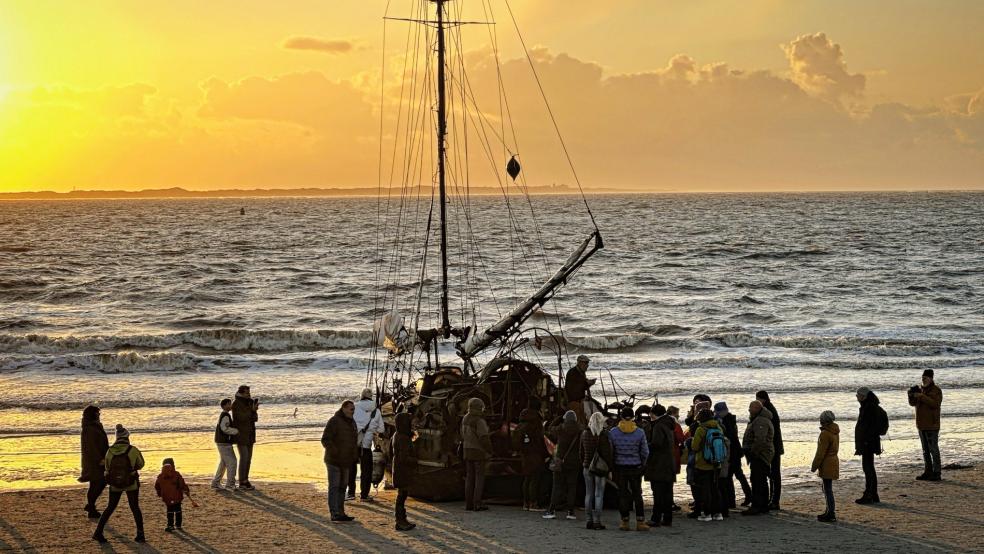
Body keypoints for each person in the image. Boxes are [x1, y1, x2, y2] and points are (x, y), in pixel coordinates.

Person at [93, 425, 146, 544]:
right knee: (135, 507)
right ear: (127, 437)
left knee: (110, 507)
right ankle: (140, 534)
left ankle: (98, 532)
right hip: (131, 483)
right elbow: (141, 464)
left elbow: (107, 468)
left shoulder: (110, 451)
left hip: (115, 484)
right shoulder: (133, 450)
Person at [610, 406, 649, 531]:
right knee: (637, 494)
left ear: (621, 417)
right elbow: (645, 452)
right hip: (635, 466)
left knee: (622, 494)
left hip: (620, 466)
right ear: (633, 417)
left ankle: (625, 521)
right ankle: (640, 521)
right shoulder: (640, 432)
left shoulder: (613, 432)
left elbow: (611, 450)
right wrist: (642, 463)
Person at [322, 400, 358, 522]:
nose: (353, 412)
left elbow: (354, 441)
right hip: (334, 460)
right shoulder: (334, 421)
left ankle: (341, 512)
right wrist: (335, 451)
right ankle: (334, 513)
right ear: (344, 408)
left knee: (343, 487)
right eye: (351, 409)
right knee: (334, 486)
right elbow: (325, 439)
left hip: (346, 461)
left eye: (354, 409)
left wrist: (355, 456)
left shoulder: (352, 422)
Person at [543, 410, 582, 520]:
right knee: (572, 487)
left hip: (560, 461)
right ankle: (570, 512)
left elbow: (549, 428)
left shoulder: (561, 428)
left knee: (557, 486)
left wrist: (558, 419)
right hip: (574, 463)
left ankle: (551, 510)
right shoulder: (580, 430)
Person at [349, 388, 385, 501]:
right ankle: (364, 495)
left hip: (354, 444)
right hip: (366, 446)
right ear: (371, 397)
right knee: (366, 471)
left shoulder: (354, 408)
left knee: (351, 469)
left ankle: (350, 493)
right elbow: (381, 429)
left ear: (361, 396)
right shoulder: (376, 411)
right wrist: (372, 430)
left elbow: (349, 423)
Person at [715, 401, 752, 509]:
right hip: (734, 452)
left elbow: (730, 437)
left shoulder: (727, 421)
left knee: (733, 476)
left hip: (732, 453)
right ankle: (742, 497)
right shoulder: (729, 419)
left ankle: (741, 498)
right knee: (735, 475)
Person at [741, 400, 774, 516]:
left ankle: (757, 506)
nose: (749, 410)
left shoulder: (761, 421)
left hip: (760, 455)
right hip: (761, 455)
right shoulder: (758, 419)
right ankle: (763, 505)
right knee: (760, 480)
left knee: (758, 481)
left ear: (757, 408)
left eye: (751, 407)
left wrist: (753, 452)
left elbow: (760, 440)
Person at [691, 409, 725, 521]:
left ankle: (707, 514)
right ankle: (718, 513)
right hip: (717, 463)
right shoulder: (718, 427)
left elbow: (695, 447)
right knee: (715, 489)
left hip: (703, 463)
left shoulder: (701, 429)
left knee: (705, 490)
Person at [580, 412, 613, 530]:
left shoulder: (585, 433)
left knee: (588, 494)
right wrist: (609, 468)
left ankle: (588, 520)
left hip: (587, 467)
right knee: (599, 494)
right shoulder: (604, 435)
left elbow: (581, 452)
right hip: (600, 468)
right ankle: (597, 521)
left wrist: (585, 463)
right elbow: (607, 454)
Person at [909, 369, 943, 481]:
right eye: (923, 378)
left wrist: (921, 396)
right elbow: (912, 404)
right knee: (925, 450)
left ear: (931, 378)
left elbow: (935, 404)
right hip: (921, 425)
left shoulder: (936, 390)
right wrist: (911, 396)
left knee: (933, 449)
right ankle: (928, 471)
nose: (924, 379)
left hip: (932, 425)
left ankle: (937, 472)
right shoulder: (920, 390)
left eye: (926, 378)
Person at [645, 404, 676, 527]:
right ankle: (667, 518)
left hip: (659, 464)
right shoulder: (669, 424)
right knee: (668, 492)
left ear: (654, 414)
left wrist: (646, 445)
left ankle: (655, 518)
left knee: (658, 493)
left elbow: (656, 444)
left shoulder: (658, 426)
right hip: (668, 462)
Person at [855, 387, 887, 504]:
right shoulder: (872, 406)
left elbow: (867, 427)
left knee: (868, 468)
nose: (857, 398)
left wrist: (865, 440)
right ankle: (873, 494)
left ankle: (869, 494)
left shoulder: (868, 408)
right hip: (870, 441)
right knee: (869, 467)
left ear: (863, 396)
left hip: (868, 442)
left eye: (858, 395)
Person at [461, 397, 492, 511]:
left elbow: (462, 435)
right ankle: (477, 503)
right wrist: (490, 450)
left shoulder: (464, 419)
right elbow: (484, 438)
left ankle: (468, 504)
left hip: (466, 450)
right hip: (478, 451)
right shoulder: (479, 421)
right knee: (479, 478)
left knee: (469, 478)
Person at [514, 407, 548, 510]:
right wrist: (545, 455)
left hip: (524, 456)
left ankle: (526, 503)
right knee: (534, 480)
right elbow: (541, 442)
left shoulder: (519, 427)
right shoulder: (536, 426)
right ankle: (533, 503)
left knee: (527, 479)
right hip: (535, 456)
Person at [79, 405, 109, 519]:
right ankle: (91, 506)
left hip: (97, 459)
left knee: (95, 484)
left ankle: (91, 507)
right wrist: (100, 460)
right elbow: (91, 447)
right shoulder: (90, 428)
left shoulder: (93, 426)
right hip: (95, 461)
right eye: (98, 413)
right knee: (99, 482)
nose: (99, 415)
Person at [756, 390, 784, 510]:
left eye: (758, 399)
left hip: (773, 447)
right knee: (774, 473)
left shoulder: (767, 412)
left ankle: (774, 500)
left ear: (763, 399)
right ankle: (773, 499)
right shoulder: (770, 410)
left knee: (774, 474)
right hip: (775, 446)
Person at [155, 458, 198, 532]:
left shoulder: (160, 476)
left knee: (170, 511)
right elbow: (182, 484)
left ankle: (170, 525)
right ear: (173, 465)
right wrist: (186, 490)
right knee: (178, 510)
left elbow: (157, 486)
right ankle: (178, 525)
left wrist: (159, 493)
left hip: (167, 497)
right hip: (177, 496)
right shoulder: (176, 474)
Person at [811, 410, 840, 523]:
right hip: (833, 460)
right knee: (827, 488)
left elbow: (820, 453)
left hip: (827, 462)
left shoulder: (825, 434)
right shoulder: (835, 432)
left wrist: (814, 466)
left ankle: (831, 512)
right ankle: (829, 511)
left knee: (827, 489)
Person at [391, 412, 417, 531]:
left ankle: (402, 519)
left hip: (400, 469)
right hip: (402, 470)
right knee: (402, 495)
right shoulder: (402, 438)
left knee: (403, 494)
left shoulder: (399, 435)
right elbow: (403, 457)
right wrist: (415, 460)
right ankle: (400, 520)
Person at [232, 385, 259, 490]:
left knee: (249, 459)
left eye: (249, 393)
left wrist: (254, 410)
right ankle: (241, 481)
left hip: (250, 433)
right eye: (247, 393)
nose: (249, 395)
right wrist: (251, 410)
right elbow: (241, 418)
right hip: (241, 434)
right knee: (244, 458)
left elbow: (255, 418)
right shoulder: (236, 404)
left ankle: (245, 480)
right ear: (241, 393)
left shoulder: (249, 402)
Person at [211, 398, 239, 490]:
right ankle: (230, 484)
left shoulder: (224, 415)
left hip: (221, 442)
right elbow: (224, 428)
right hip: (224, 443)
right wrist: (236, 431)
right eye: (229, 404)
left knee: (223, 463)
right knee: (232, 462)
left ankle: (216, 482)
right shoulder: (226, 416)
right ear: (224, 406)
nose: (231, 406)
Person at [564, 355, 596, 424]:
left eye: (587, 363)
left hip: (580, 400)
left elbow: (582, 385)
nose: (587, 365)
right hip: (574, 401)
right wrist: (588, 383)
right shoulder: (573, 373)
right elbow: (577, 388)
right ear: (580, 363)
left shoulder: (581, 372)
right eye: (586, 363)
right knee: (579, 421)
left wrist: (588, 383)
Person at [666, 405, 686, 512]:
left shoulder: (661, 423)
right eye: (677, 413)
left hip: (664, 455)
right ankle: (670, 502)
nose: (678, 415)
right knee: (670, 480)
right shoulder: (675, 424)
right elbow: (680, 438)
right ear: (674, 413)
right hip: (673, 454)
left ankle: (666, 501)